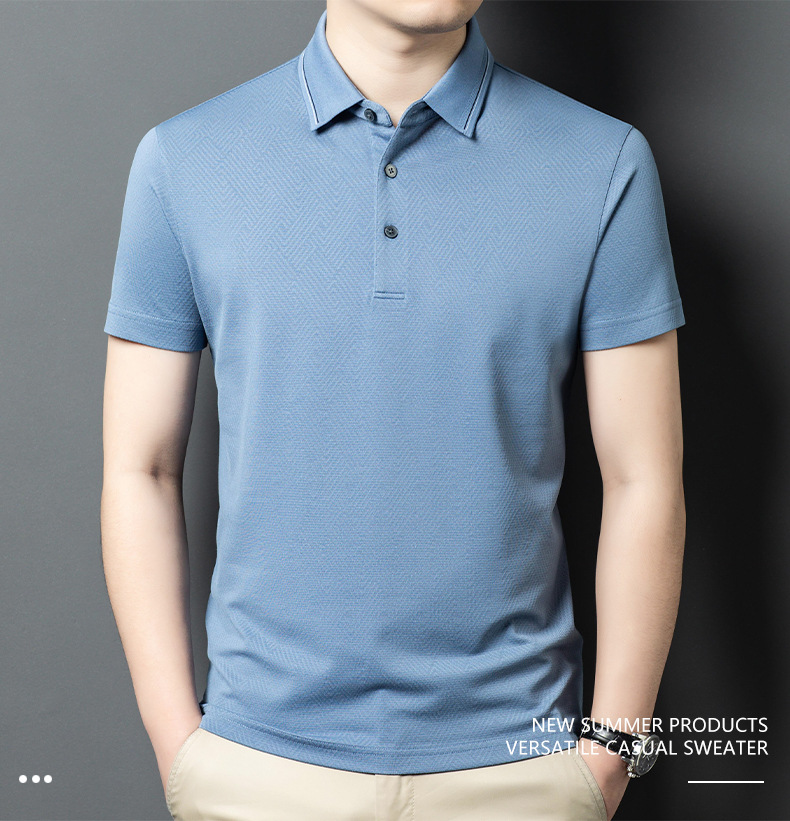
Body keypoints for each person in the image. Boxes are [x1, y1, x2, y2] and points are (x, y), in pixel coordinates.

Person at [100, 1, 686, 819]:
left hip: (523, 771)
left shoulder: (602, 160)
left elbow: (644, 477)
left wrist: (610, 753)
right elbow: (141, 467)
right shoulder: (185, 159)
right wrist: (181, 746)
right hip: (257, 768)